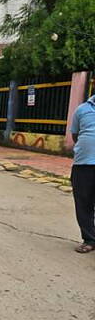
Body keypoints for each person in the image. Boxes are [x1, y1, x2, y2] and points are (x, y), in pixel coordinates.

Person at [70, 95, 95, 253]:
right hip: (83, 163)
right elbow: (75, 135)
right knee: (83, 203)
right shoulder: (82, 109)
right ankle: (90, 239)